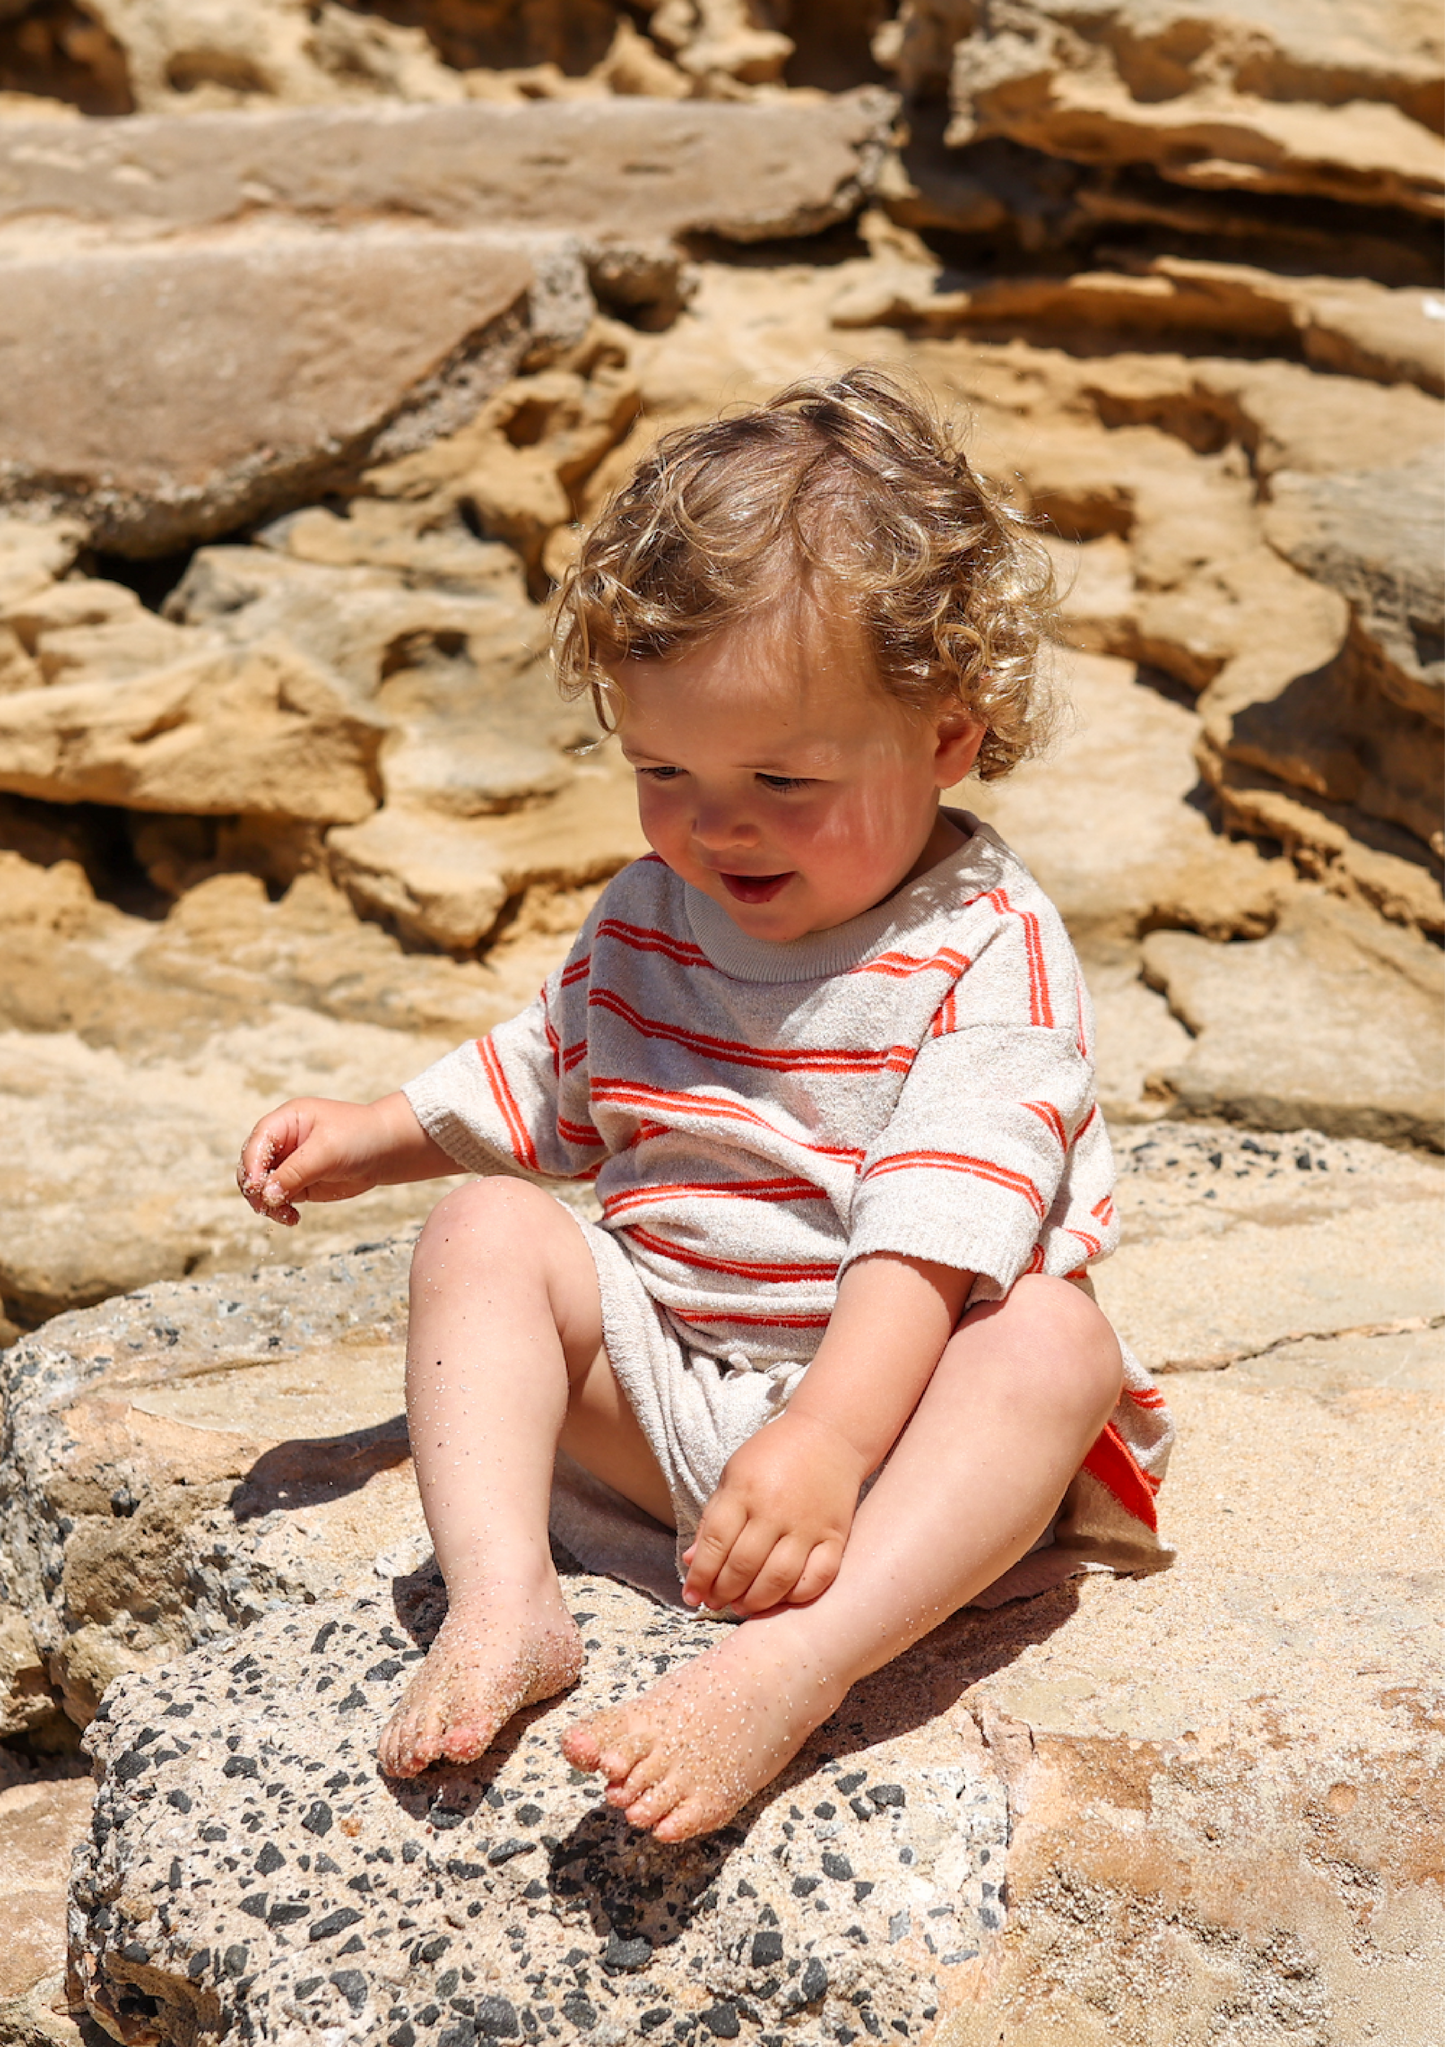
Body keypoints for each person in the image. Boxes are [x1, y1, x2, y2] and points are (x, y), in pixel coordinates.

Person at [238, 369, 1172, 1845]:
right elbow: (557, 1067)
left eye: (780, 778)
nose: (711, 821)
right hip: (674, 1377)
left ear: (950, 731)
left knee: (1052, 1342)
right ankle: (503, 1595)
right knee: (486, 1232)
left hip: (904, 1429)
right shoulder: (653, 910)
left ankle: (793, 1664)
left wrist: (826, 1446)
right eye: (660, 767)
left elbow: (935, 1234)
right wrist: (376, 1136)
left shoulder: (987, 949)